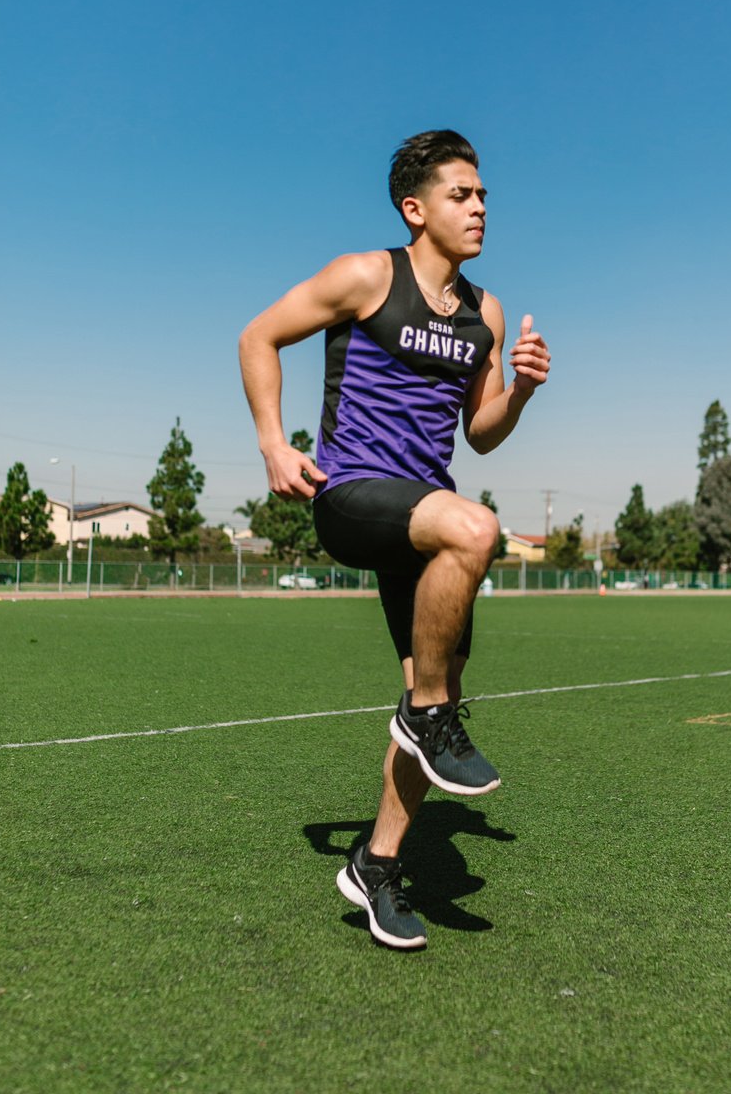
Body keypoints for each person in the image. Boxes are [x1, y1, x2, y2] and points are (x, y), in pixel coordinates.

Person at [239, 129, 550, 950]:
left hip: (424, 522)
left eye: (483, 194)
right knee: (475, 528)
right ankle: (428, 716)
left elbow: (478, 434)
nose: (479, 207)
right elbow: (257, 336)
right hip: (352, 497)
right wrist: (274, 442)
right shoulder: (367, 275)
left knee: (433, 687)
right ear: (416, 209)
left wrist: (517, 391)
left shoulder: (482, 311)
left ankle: (376, 864)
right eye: (461, 194)